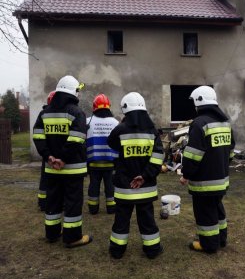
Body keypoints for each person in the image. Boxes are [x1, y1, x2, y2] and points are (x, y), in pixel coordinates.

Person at [33, 75, 93, 248]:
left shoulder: (44, 113)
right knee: (72, 203)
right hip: (72, 169)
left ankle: (52, 234)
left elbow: (38, 137)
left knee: (53, 201)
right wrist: (63, 158)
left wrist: (49, 157)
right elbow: (77, 138)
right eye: (78, 91)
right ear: (73, 92)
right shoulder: (76, 112)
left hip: (52, 168)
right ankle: (73, 237)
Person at [107, 92, 164, 259]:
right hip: (145, 187)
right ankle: (152, 250)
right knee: (147, 220)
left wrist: (122, 124)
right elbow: (158, 157)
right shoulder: (152, 131)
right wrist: (144, 176)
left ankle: (117, 251)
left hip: (124, 187)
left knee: (121, 220)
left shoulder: (120, 130)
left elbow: (111, 143)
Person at [180, 86, 235, 254]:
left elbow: (193, 154)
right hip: (221, 179)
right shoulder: (225, 122)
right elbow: (230, 152)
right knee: (217, 207)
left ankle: (208, 244)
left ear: (199, 101)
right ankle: (221, 239)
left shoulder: (199, 123)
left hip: (204, 182)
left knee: (205, 212)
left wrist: (186, 174)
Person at [86, 93, 119, 215]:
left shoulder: (88, 121)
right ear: (108, 107)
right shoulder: (115, 123)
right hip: (111, 163)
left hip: (94, 162)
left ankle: (93, 209)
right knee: (110, 186)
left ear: (94, 107)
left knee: (94, 185)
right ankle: (111, 208)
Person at [37, 90, 56, 212]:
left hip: (47, 154)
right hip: (59, 155)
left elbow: (38, 135)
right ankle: (60, 202)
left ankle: (43, 203)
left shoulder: (43, 114)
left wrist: (45, 153)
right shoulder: (64, 113)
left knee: (45, 179)